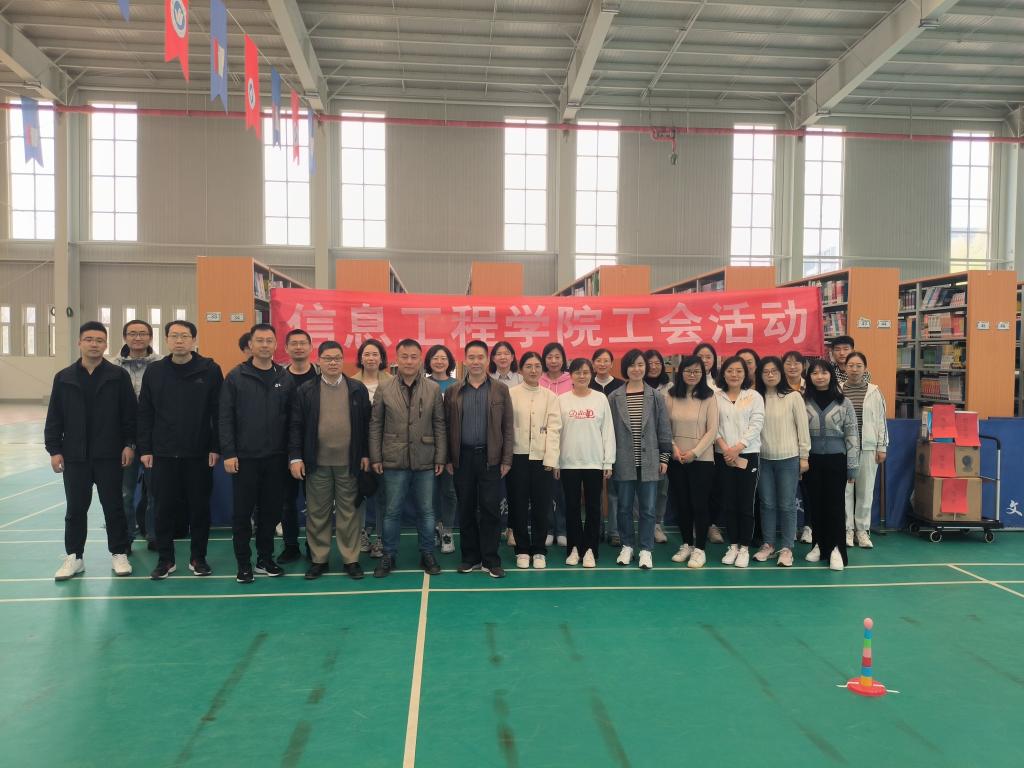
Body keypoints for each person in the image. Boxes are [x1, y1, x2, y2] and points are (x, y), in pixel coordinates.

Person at [45, 321, 137, 580]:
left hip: (110, 455)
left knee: (114, 506)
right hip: (75, 456)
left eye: (99, 340)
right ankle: (74, 557)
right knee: (75, 509)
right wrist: (54, 449)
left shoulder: (118, 376)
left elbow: (130, 415)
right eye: (89, 339)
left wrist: (129, 444)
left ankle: (119, 553)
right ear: (79, 343)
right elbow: (55, 416)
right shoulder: (64, 377)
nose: (94, 344)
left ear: (106, 344)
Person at [138, 320, 223, 579]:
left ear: (194, 340)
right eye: (174, 336)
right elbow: (145, 413)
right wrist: (146, 448)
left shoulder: (210, 370)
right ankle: (166, 560)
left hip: (199, 453)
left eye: (185, 336)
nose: (179, 341)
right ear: (166, 340)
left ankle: (198, 558)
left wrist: (215, 446)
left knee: (199, 508)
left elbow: (218, 412)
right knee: (163, 508)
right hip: (163, 453)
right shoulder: (154, 371)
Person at [288, 341, 371, 581]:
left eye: (337, 358)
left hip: (349, 463)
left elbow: (366, 425)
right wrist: (295, 457)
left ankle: (351, 560)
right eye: (327, 358)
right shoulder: (306, 390)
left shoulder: (356, 389)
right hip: (317, 463)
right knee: (317, 513)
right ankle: (319, 559)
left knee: (349, 513)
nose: (333, 363)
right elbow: (296, 426)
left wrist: (365, 454)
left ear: (343, 360)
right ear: (319, 361)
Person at [219, 323, 295, 583]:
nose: (264, 345)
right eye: (259, 340)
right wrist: (229, 452)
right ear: (250, 345)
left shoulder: (284, 377)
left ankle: (265, 558)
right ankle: (243, 563)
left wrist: (291, 454)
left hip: (276, 458)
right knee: (242, 514)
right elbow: (225, 417)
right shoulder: (235, 377)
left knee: (271, 513)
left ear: (276, 345)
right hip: (245, 459)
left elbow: (292, 420)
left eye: (269, 340)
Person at [368, 339, 447, 578]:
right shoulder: (385, 388)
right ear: (396, 358)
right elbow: (376, 425)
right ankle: (388, 555)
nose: (409, 361)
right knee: (392, 511)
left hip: (425, 458)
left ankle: (427, 553)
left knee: (426, 511)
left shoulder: (432, 388)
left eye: (414, 357)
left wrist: (440, 456)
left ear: (420, 359)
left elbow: (439, 424)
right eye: (404, 356)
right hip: (393, 458)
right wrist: (375, 456)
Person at [445, 341, 514, 578]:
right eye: (471, 357)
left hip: (490, 457)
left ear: (487, 360)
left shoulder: (500, 389)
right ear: (465, 360)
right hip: (462, 458)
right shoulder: (453, 391)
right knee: (465, 508)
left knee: (490, 509)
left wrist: (506, 459)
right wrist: (448, 458)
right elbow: (446, 426)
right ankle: (470, 557)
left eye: (480, 357)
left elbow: (507, 426)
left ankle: (491, 559)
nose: (476, 362)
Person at [608, 349, 672, 570]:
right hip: (623, 460)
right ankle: (627, 545)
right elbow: (608, 432)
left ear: (646, 367)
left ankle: (646, 549)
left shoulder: (656, 396)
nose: (636, 369)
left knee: (648, 508)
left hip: (650, 461)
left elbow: (664, 429)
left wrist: (664, 457)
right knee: (624, 507)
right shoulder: (614, 397)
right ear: (625, 368)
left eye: (640, 365)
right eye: (632, 365)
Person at [556, 358, 615, 568]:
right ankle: (574, 548)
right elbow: (556, 433)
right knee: (571, 507)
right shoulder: (561, 400)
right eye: (577, 372)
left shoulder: (600, 399)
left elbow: (608, 431)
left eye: (586, 372)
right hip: (568, 462)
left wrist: (608, 462)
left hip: (594, 462)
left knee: (593, 507)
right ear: (570, 375)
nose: (582, 376)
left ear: (591, 374)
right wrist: (555, 461)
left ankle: (590, 549)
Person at [803, 358, 859, 571]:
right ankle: (819, 544)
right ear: (809, 377)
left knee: (835, 506)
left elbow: (852, 434)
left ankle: (836, 549)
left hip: (837, 460)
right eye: (815, 373)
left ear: (831, 375)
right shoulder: (803, 401)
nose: (819, 376)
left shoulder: (844, 402)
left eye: (824, 372)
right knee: (815, 504)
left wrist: (852, 466)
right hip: (811, 460)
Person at [753, 356, 810, 568]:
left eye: (774, 371)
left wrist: (804, 456)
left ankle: (787, 548)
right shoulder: (756, 398)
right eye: (765, 371)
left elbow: (802, 428)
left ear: (781, 373)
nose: (770, 375)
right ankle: (768, 544)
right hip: (763, 459)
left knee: (787, 504)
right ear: (760, 375)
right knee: (767, 504)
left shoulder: (793, 397)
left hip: (789, 458)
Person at [507, 351, 561, 569]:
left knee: (541, 505)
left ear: (542, 370)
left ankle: (539, 549)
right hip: (516, 456)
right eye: (528, 366)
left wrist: (551, 459)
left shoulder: (550, 397)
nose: (533, 370)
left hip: (542, 459)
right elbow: (505, 427)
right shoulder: (510, 394)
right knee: (518, 505)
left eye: (537, 366)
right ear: (521, 370)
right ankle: (521, 549)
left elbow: (555, 429)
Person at [665, 356, 719, 569]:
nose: (692, 374)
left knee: (699, 504)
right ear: (681, 372)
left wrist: (695, 453)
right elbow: (665, 427)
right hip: (677, 458)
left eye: (697, 371)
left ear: (703, 374)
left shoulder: (710, 397)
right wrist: (674, 448)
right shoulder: (670, 395)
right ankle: (686, 544)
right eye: (688, 370)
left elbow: (712, 429)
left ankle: (700, 549)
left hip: (702, 459)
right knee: (682, 504)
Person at [113, 319, 160, 551]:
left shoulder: (162, 365)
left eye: (143, 333)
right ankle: (126, 538)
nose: (138, 338)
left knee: (155, 492)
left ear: (150, 337)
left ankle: (154, 535)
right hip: (124, 439)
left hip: (154, 437)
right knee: (125, 493)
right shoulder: (112, 367)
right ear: (125, 337)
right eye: (132, 333)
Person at [714, 355, 765, 569]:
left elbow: (757, 423)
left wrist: (738, 447)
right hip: (723, 455)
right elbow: (713, 425)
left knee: (745, 502)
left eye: (739, 371)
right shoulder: (716, 396)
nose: (734, 374)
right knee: (728, 502)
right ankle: (733, 545)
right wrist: (726, 448)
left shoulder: (753, 396)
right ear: (723, 373)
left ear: (745, 374)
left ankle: (744, 547)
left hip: (748, 454)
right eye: (730, 370)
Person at [278, 328, 320, 563]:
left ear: (311, 347)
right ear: (286, 348)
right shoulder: (278, 378)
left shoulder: (321, 377)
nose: (298, 347)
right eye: (293, 343)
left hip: (315, 449)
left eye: (303, 343)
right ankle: (291, 545)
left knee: (315, 504)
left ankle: (314, 547)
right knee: (287, 502)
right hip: (284, 450)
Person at [842, 352, 888, 549]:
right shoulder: (838, 390)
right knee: (844, 492)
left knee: (865, 491)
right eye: (851, 365)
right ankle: (846, 530)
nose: (854, 369)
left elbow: (881, 421)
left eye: (858, 365)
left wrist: (881, 446)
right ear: (845, 368)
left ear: (865, 368)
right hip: (843, 449)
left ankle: (862, 531)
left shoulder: (874, 392)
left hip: (868, 448)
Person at [353, 338, 393, 558]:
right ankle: (360, 534)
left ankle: (380, 538)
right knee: (358, 494)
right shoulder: (350, 383)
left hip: (386, 449)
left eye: (375, 354)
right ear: (360, 358)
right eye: (366, 354)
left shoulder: (392, 382)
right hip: (357, 449)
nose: (370, 358)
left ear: (382, 358)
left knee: (383, 496)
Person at [425, 344, 458, 554]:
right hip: (427, 446)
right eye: (435, 358)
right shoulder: (423, 384)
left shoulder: (458, 385)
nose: (439, 362)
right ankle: (435, 528)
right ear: (429, 361)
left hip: (452, 448)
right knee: (429, 493)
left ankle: (447, 531)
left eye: (443, 358)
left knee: (449, 491)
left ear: (449, 362)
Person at [590, 348, 622, 546]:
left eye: (606, 360)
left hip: (616, 443)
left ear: (611, 363)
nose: (602, 364)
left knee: (614, 490)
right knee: (594, 491)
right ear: (593, 363)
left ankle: (614, 531)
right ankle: (597, 528)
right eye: (598, 360)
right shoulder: (587, 384)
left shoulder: (620, 385)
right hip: (591, 445)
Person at [540, 341, 571, 547]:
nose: (553, 361)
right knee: (547, 490)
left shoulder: (571, 380)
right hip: (544, 443)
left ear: (563, 359)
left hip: (568, 441)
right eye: (549, 357)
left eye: (557, 357)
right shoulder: (539, 380)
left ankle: (562, 528)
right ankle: (548, 528)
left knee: (564, 490)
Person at [695, 344, 725, 545]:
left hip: (719, 445)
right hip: (695, 445)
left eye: (708, 357)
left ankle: (712, 525)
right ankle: (697, 524)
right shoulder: (687, 383)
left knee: (716, 488)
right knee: (697, 488)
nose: (704, 360)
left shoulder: (720, 385)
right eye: (700, 356)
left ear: (714, 360)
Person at [642, 349, 672, 544]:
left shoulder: (671, 388)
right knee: (641, 490)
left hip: (666, 444)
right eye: (649, 363)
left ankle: (657, 524)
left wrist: (669, 446)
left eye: (657, 363)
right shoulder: (636, 385)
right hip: (643, 445)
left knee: (662, 488)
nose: (653, 367)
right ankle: (643, 525)